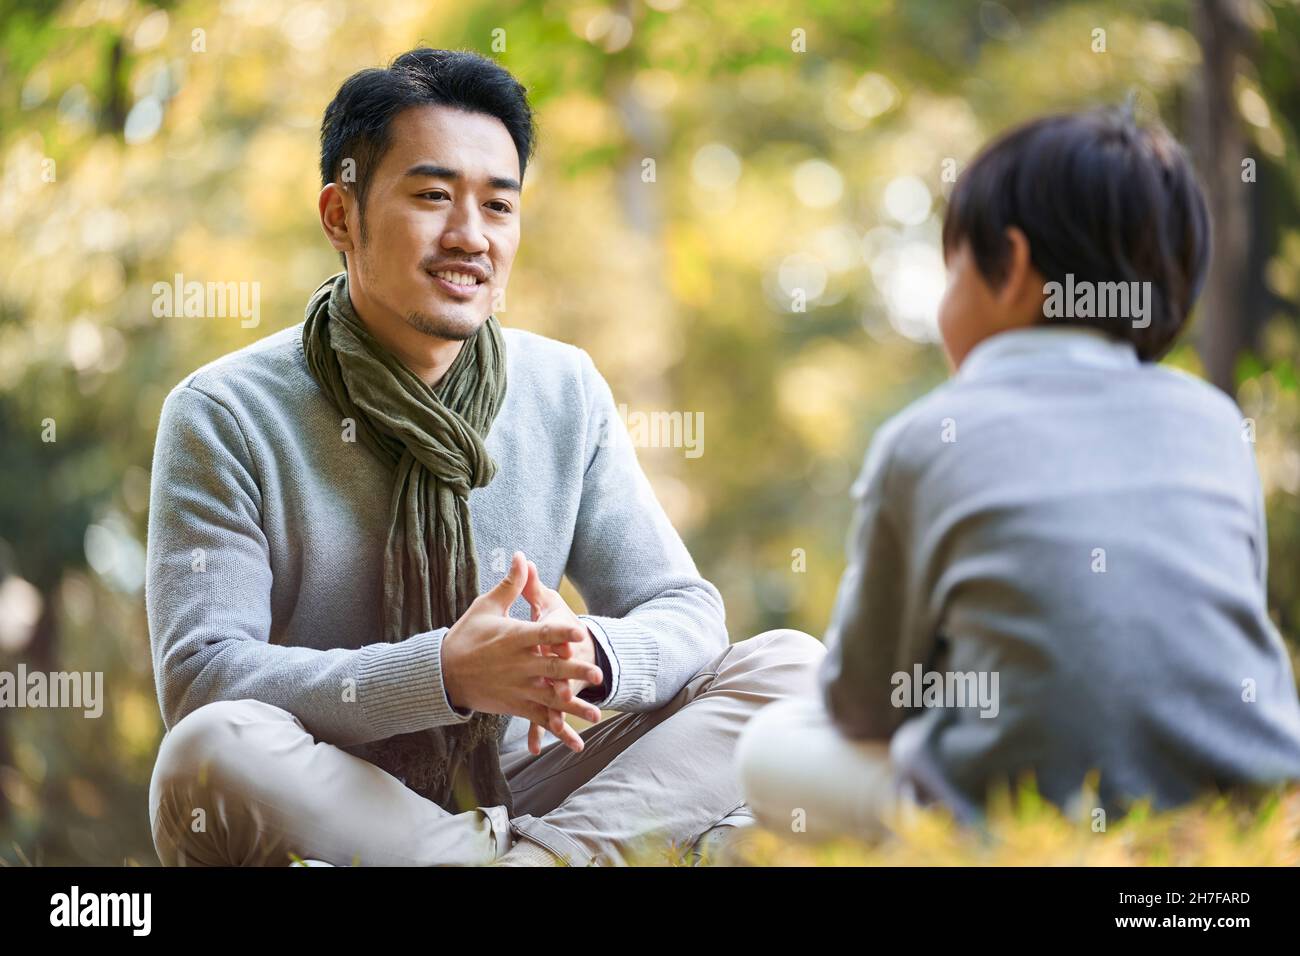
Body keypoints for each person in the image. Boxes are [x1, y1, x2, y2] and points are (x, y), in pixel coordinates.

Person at [145, 47, 824, 867]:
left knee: (792, 670)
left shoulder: (561, 388)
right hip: (340, 802)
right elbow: (204, 678)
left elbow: (684, 610)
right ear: (340, 215)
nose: (470, 236)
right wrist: (440, 673)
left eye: (498, 206)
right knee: (209, 750)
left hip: (527, 798)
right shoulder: (225, 413)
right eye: (433, 196)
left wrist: (594, 655)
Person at [737, 106, 1300, 842]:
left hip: (1009, 810)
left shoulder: (924, 438)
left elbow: (862, 703)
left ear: (1013, 265)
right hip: (1234, 794)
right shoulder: (1216, 423)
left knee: (767, 745)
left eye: (952, 271)